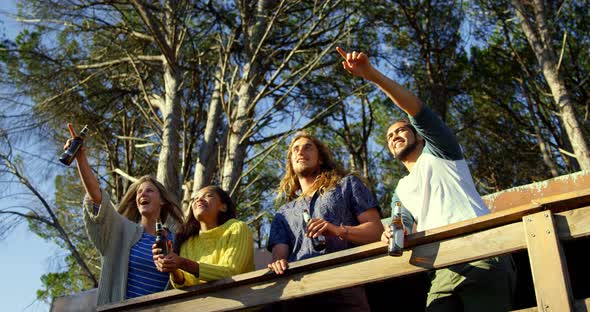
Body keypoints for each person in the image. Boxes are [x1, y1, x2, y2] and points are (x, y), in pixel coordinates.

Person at [337, 47, 516, 311]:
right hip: (440, 268)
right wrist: (391, 234)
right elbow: (402, 223)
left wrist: (371, 75)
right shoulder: (400, 190)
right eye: (389, 136)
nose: (395, 136)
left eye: (401, 130)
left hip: (482, 252)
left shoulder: (442, 152)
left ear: (420, 136)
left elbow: (417, 111)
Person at [63, 123, 184, 305]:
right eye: (139, 192)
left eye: (149, 190)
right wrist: (81, 158)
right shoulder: (121, 231)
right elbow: (97, 198)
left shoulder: (177, 241)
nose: (142, 194)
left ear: (162, 200)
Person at [267, 131, 383, 310]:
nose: (300, 151)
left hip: (345, 290)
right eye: (295, 149)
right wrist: (278, 262)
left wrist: (338, 230)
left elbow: (377, 231)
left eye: (308, 147)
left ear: (320, 158)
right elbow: (279, 254)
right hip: (298, 295)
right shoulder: (283, 213)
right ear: (291, 161)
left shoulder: (347, 185)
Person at [152, 185, 254, 288]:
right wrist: (173, 267)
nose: (199, 199)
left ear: (223, 207)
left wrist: (183, 263)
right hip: (198, 303)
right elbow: (186, 283)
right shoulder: (188, 241)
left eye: (208, 195)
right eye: (195, 198)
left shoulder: (237, 228)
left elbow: (231, 271)